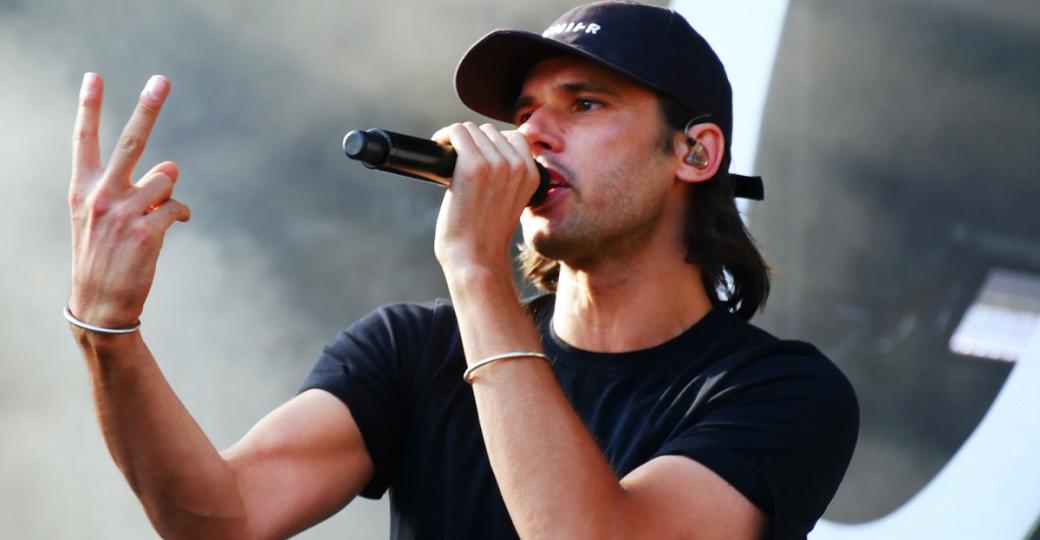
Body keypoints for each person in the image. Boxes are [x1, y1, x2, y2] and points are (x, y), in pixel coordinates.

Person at [65, 1, 858, 538]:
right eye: (521, 115)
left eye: (584, 105)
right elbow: (221, 520)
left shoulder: (780, 393)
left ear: (695, 152)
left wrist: (476, 270)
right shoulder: (414, 351)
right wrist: (109, 331)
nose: (531, 137)